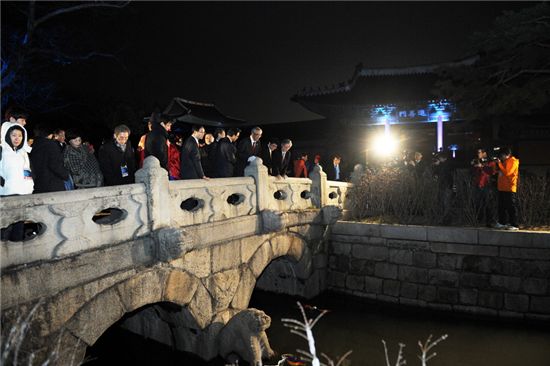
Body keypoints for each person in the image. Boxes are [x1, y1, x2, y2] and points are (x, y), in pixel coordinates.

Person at [29, 124, 69, 193]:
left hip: (39, 185)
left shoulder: (33, 146)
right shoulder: (51, 145)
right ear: (50, 134)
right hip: (53, 185)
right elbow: (55, 165)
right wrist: (66, 175)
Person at [0, 123, 34, 195]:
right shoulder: (2, 150)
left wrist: (29, 186)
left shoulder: (23, 153)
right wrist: (3, 183)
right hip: (6, 193)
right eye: (14, 135)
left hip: (24, 193)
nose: (17, 138)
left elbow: (27, 171)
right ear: (7, 136)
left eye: (20, 136)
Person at [494, 147, 520, 230]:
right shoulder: (504, 162)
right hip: (502, 188)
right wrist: (497, 165)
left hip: (509, 188)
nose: (501, 157)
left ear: (507, 155)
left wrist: (500, 164)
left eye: (502, 155)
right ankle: (502, 222)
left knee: (511, 207)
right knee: (501, 206)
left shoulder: (513, 161)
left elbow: (508, 173)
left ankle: (514, 224)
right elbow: (497, 172)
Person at [471, 148, 497, 227]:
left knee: (488, 204)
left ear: (484, 153)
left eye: (479, 152)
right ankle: (478, 221)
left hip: (487, 185)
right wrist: (474, 166)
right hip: (477, 185)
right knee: (477, 204)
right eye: (477, 152)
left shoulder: (491, 162)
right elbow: (472, 173)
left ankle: (489, 222)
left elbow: (491, 172)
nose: (478, 154)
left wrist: (481, 166)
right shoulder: (476, 161)